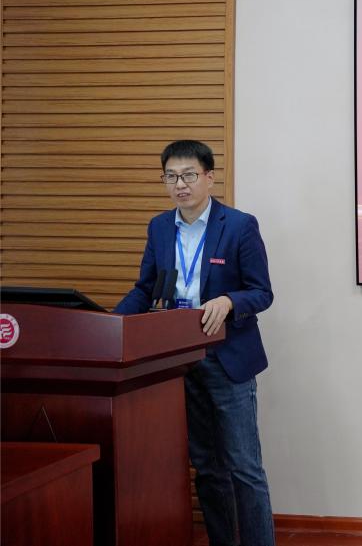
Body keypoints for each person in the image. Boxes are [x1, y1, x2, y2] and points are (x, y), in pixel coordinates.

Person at [115, 140, 276, 546]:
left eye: (188, 175)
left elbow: (262, 292)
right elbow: (145, 289)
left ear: (209, 177)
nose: (180, 185)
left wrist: (229, 301)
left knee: (243, 467)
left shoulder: (238, 226)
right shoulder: (159, 227)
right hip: (178, 361)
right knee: (206, 466)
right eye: (171, 177)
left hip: (227, 358)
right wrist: (110, 323)